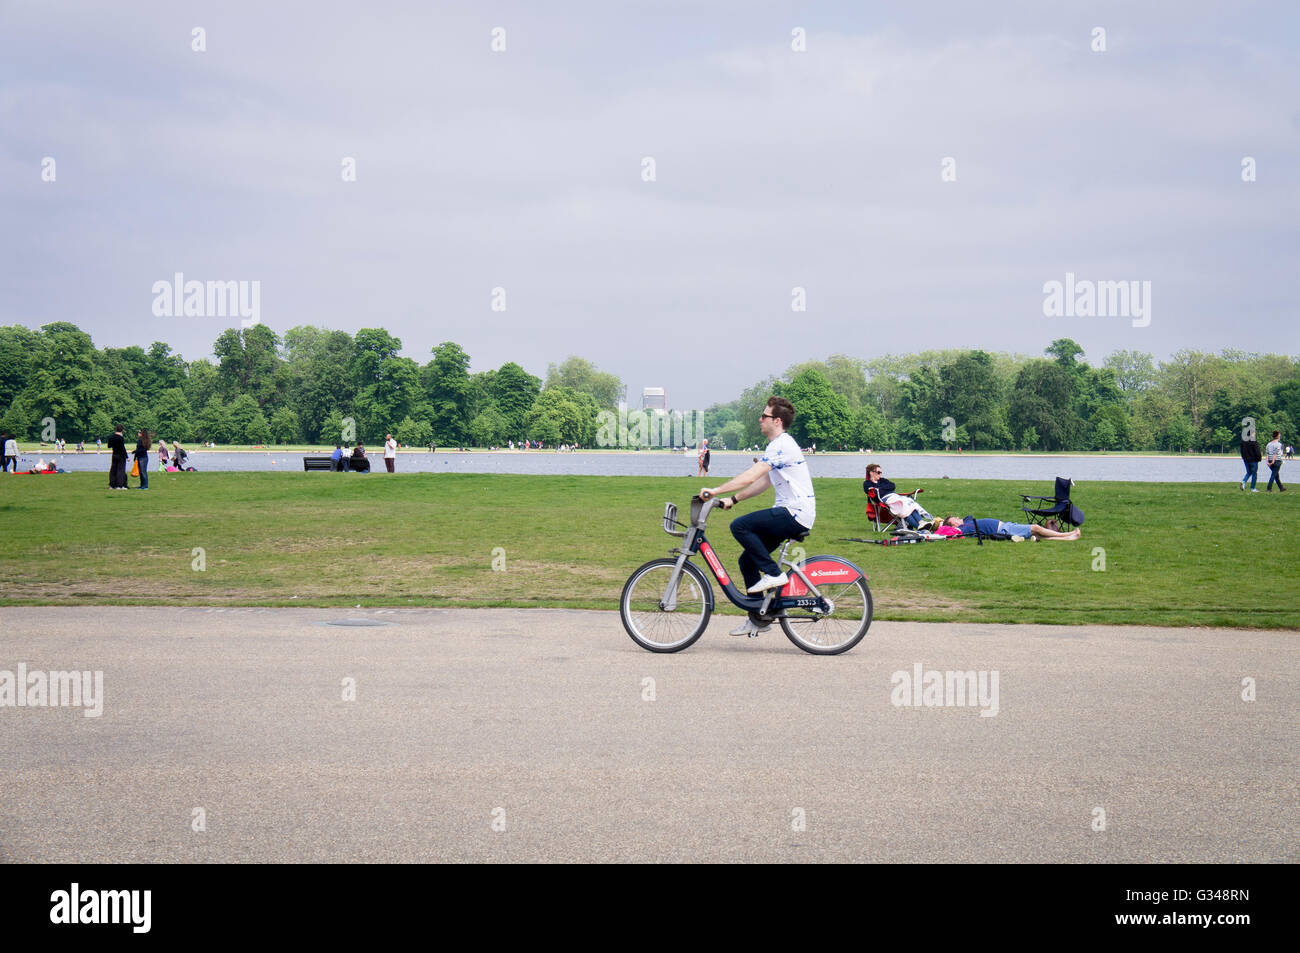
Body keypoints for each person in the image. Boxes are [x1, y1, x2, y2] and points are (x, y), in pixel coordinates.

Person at [701, 396, 815, 637]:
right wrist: (733, 500)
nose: (759, 419)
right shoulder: (776, 445)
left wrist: (716, 490)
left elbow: (751, 476)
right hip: (792, 512)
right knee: (747, 561)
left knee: (740, 526)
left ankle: (774, 575)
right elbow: (763, 482)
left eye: (764, 416)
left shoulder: (782, 444)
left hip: (794, 512)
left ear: (777, 420)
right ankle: (758, 618)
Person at [864, 463, 932, 529]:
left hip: (894, 496)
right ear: (871, 472)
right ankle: (921, 527)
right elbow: (874, 493)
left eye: (881, 472)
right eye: (878, 472)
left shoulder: (883, 480)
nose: (880, 474)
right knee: (904, 508)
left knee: (908, 503)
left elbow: (892, 486)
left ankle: (921, 522)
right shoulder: (867, 483)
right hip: (885, 500)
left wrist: (879, 488)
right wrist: (882, 488)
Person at [934, 515, 1080, 541]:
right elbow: (944, 532)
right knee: (1036, 527)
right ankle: (1067, 533)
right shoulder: (962, 530)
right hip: (1004, 530)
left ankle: (1069, 538)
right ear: (952, 525)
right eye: (955, 520)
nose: (959, 519)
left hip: (1005, 526)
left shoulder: (965, 523)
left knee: (1040, 536)